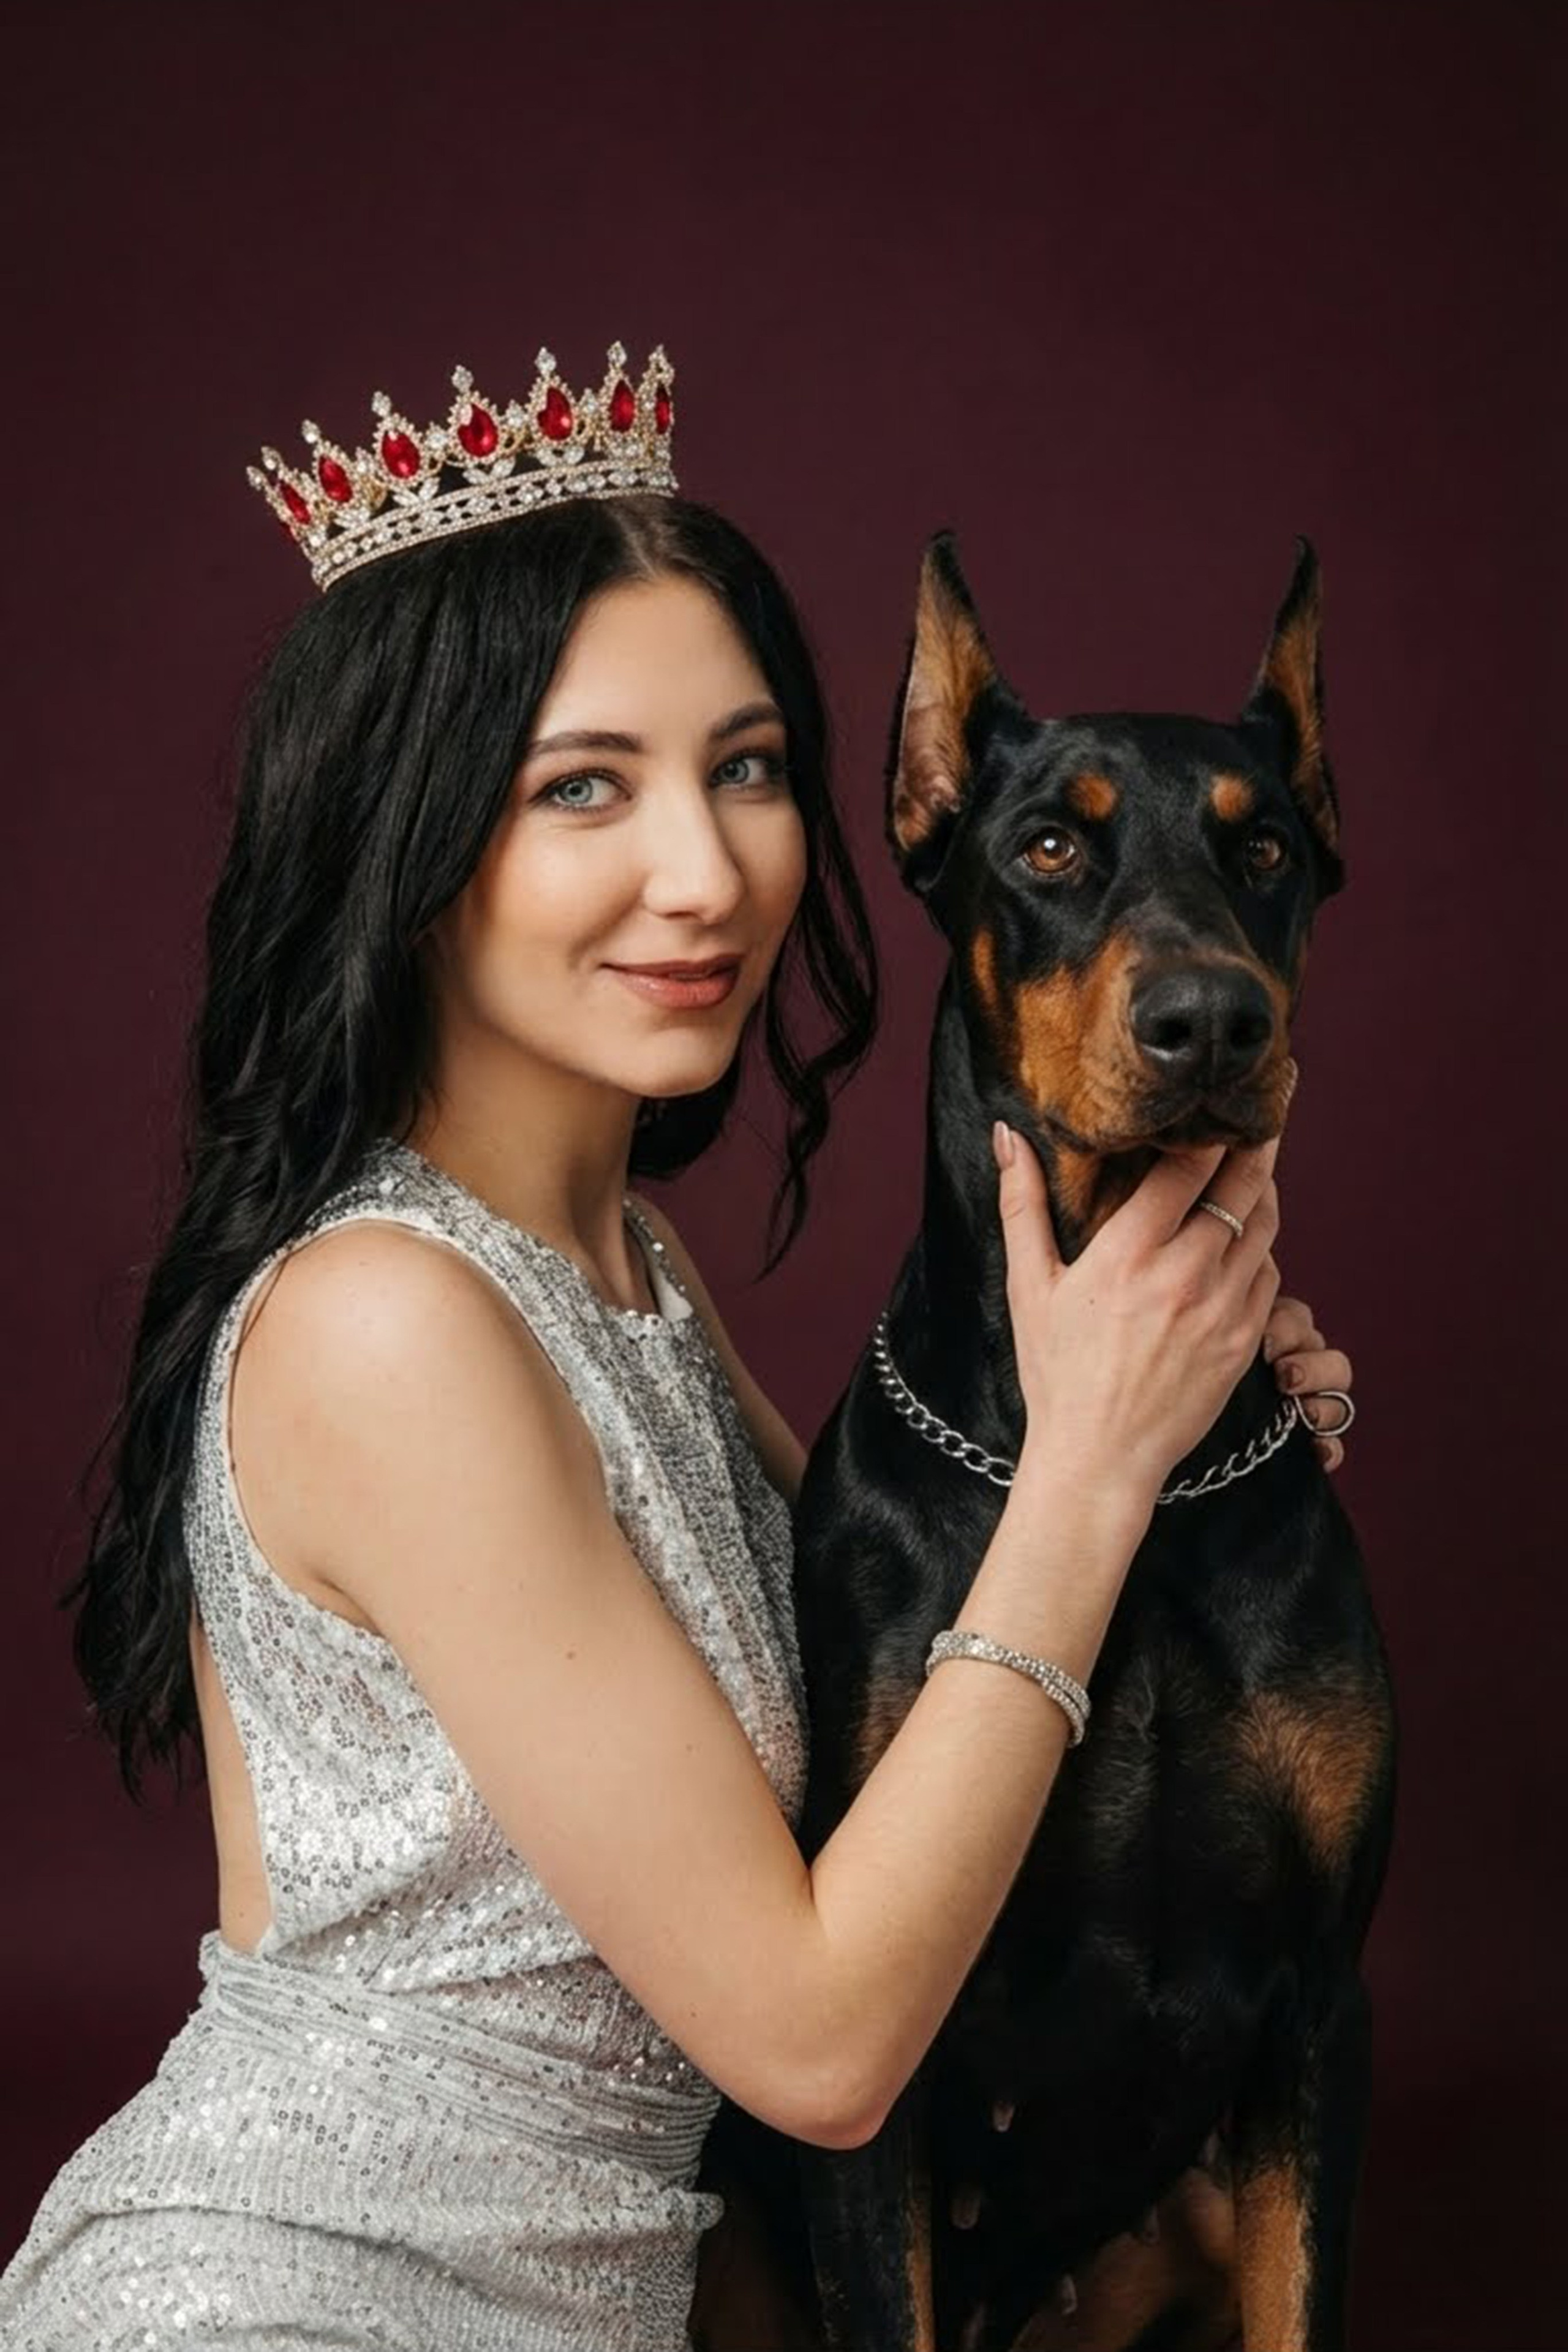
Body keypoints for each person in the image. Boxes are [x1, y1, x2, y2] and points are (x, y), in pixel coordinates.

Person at [0, 344, 1354, 2350]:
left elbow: (918, 1678)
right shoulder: (386, 1324)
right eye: (582, 789)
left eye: (742, 769)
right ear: (406, 839)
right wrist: (1093, 1464)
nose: (708, 874)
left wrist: (1169, 1416)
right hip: (297, 2301)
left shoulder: (620, 1264)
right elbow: (819, 2048)